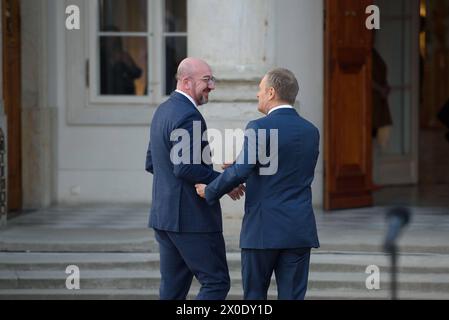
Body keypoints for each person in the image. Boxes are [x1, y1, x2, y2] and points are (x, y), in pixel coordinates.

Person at [195, 68, 320, 300]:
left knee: (254, 298)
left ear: (271, 92)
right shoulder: (311, 131)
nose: (257, 95)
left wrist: (210, 190)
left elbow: (243, 170)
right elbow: (287, 167)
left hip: (263, 230)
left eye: (260, 90)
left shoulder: (259, 127)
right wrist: (246, 162)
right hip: (298, 229)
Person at [145, 58, 244, 300]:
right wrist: (225, 181)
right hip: (191, 220)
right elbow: (185, 168)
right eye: (206, 80)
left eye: (212, 79)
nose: (212, 86)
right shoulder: (189, 117)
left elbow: (151, 163)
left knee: (172, 291)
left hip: (164, 217)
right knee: (216, 283)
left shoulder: (163, 110)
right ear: (186, 82)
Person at [100, 26, 143, 95]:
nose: (113, 42)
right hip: (105, 97)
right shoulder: (99, 57)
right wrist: (112, 62)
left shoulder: (123, 54)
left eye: (115, 39)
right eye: (110, 39)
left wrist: (129, 64)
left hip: (126, 97)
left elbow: (137, 74)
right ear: (104, 41)